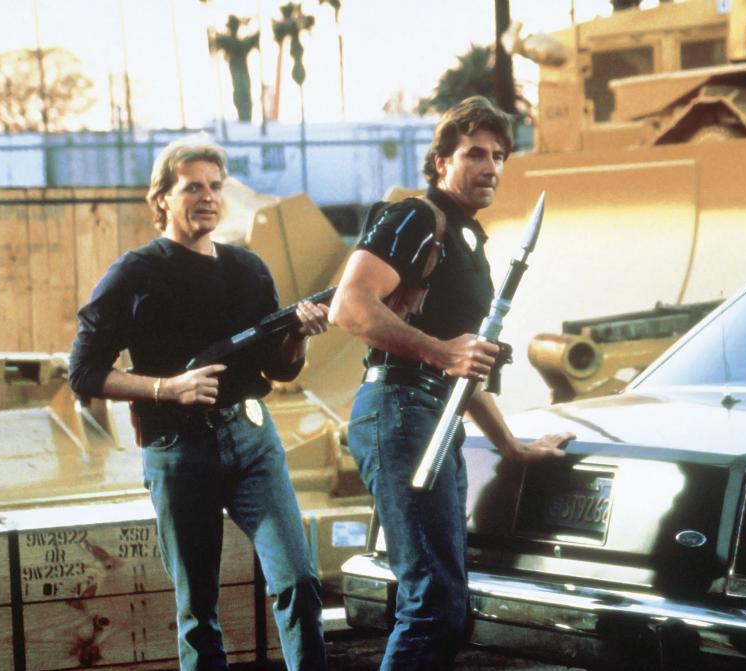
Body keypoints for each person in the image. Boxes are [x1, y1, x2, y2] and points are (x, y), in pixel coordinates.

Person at [329, 96, 574, 670]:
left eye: (499, 156)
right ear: (441, 162)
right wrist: (441, 352)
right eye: (474, 154)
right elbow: (349, 305)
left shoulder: (468, 239)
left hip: (431, 416)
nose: (491, 167)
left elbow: (467, 372)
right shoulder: (417, 218)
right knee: (434, 603)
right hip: (399, 410)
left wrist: (512, 446)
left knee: (446, 604)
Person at [68, 137, 328, 671]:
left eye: (215, 186)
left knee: (299, 581)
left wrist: (299, 335)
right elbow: (83, 372)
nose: (207, 197)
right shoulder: (134, 274)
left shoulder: (248, 269)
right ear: (161, 198)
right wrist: (169, 389)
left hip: (253, 441)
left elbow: (278, 370)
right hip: (178, 450)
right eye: (192, 187)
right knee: (198, 611)